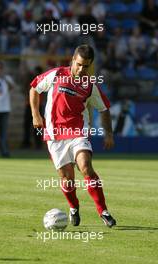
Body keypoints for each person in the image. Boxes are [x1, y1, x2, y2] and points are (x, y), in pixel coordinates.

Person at [29, 45, 116, 227]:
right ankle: (74, 207)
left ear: (90, 65)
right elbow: (34, 88)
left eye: (86, 66)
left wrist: (108, 133)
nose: (81, 69)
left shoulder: (89, 85)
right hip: (54, 134)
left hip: (78, 132)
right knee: (67, 178)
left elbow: (104, 108)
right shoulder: (56, 74)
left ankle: (103, 211)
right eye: (78, 64)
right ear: (72, 60)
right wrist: (35, 114)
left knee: (85, 167)